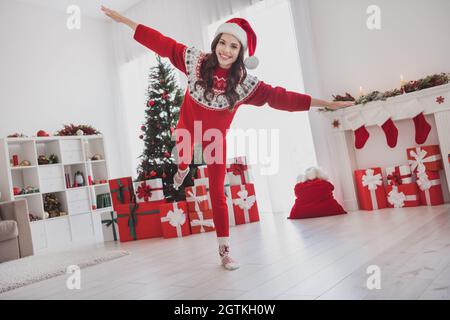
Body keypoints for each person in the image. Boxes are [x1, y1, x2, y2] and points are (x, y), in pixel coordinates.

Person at [101, 6, 354, 271]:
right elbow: (162, 43)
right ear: (216, 42)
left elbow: (281, 97)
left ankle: (224, 252)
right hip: (186, 128)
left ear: (241, 53)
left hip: (214, 140)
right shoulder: (194, 61)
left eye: (234, 46)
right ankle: (183, 169)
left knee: (217, 193)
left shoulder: (244, 84)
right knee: (184, 159)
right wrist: (125, 21)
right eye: (223, 42)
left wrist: (325, 103)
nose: (226, 50)